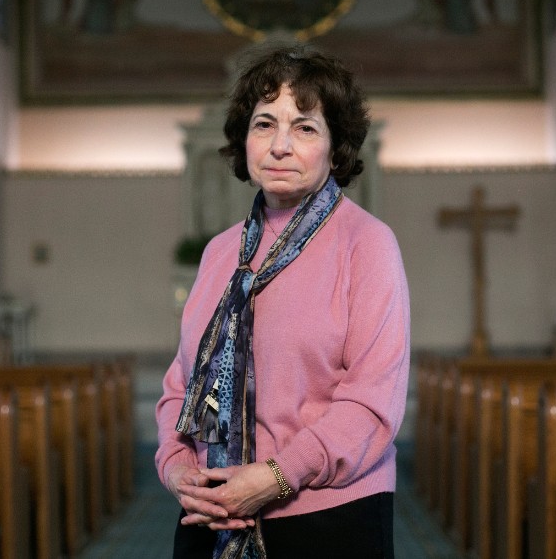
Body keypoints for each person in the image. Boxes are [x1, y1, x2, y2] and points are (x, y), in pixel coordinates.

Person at [155, 44, 410, 559]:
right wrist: (176, 468)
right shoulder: (221, 252)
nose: (279, 146)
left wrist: (275, 476)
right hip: (210, 512)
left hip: (328, 518)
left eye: (305, 128)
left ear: (337, 149)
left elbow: (371, 404)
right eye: (264, 124)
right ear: (243, 140)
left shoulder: (366, 243)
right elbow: (180, 385)